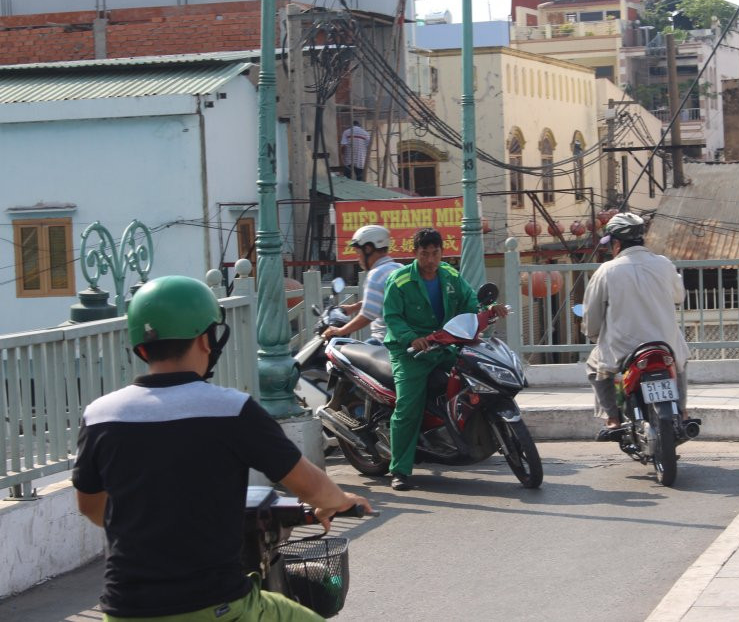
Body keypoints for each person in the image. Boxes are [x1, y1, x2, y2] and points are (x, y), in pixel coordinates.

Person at [72, 275, 371, 621]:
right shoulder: (231, 409)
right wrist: (338, 500)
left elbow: (91, 507)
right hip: (217, 606)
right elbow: (310, 486)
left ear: (140, 346)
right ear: (205, 339)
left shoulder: (100, 415)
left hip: (124, 611)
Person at [381, 228, 508, 491]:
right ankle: (400, 470)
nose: (430, 260)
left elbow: (471, 303)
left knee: (479, 376)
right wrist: (411, 338)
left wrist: (488, 310)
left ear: (442, 252)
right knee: (408, 407)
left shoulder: (450, 275)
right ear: (414, 253)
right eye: (424, 254)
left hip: (444, 346)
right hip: (411, 353)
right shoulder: (400, 280)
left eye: (435, 253)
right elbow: (392, 317)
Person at [581, 212, 690, 435]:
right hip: (664, 344)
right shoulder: (664, 264)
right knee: (679, 359)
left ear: (617, 244)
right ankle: (683, 411)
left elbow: (592, 315)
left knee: (594, 366)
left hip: (624, 349)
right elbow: (679, 297)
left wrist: (594, 335)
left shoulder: (606, 271)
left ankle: (612, 418)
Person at [323, 225, 402, 345]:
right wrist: (354, 307)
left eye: (358, 253)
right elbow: (384, 300)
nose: (358, 258)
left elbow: (367, 316)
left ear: (368, 249)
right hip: (402, 339)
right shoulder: (398, 268)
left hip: (384, 341)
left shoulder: (376, 275)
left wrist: (340, 331)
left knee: (344, 352)